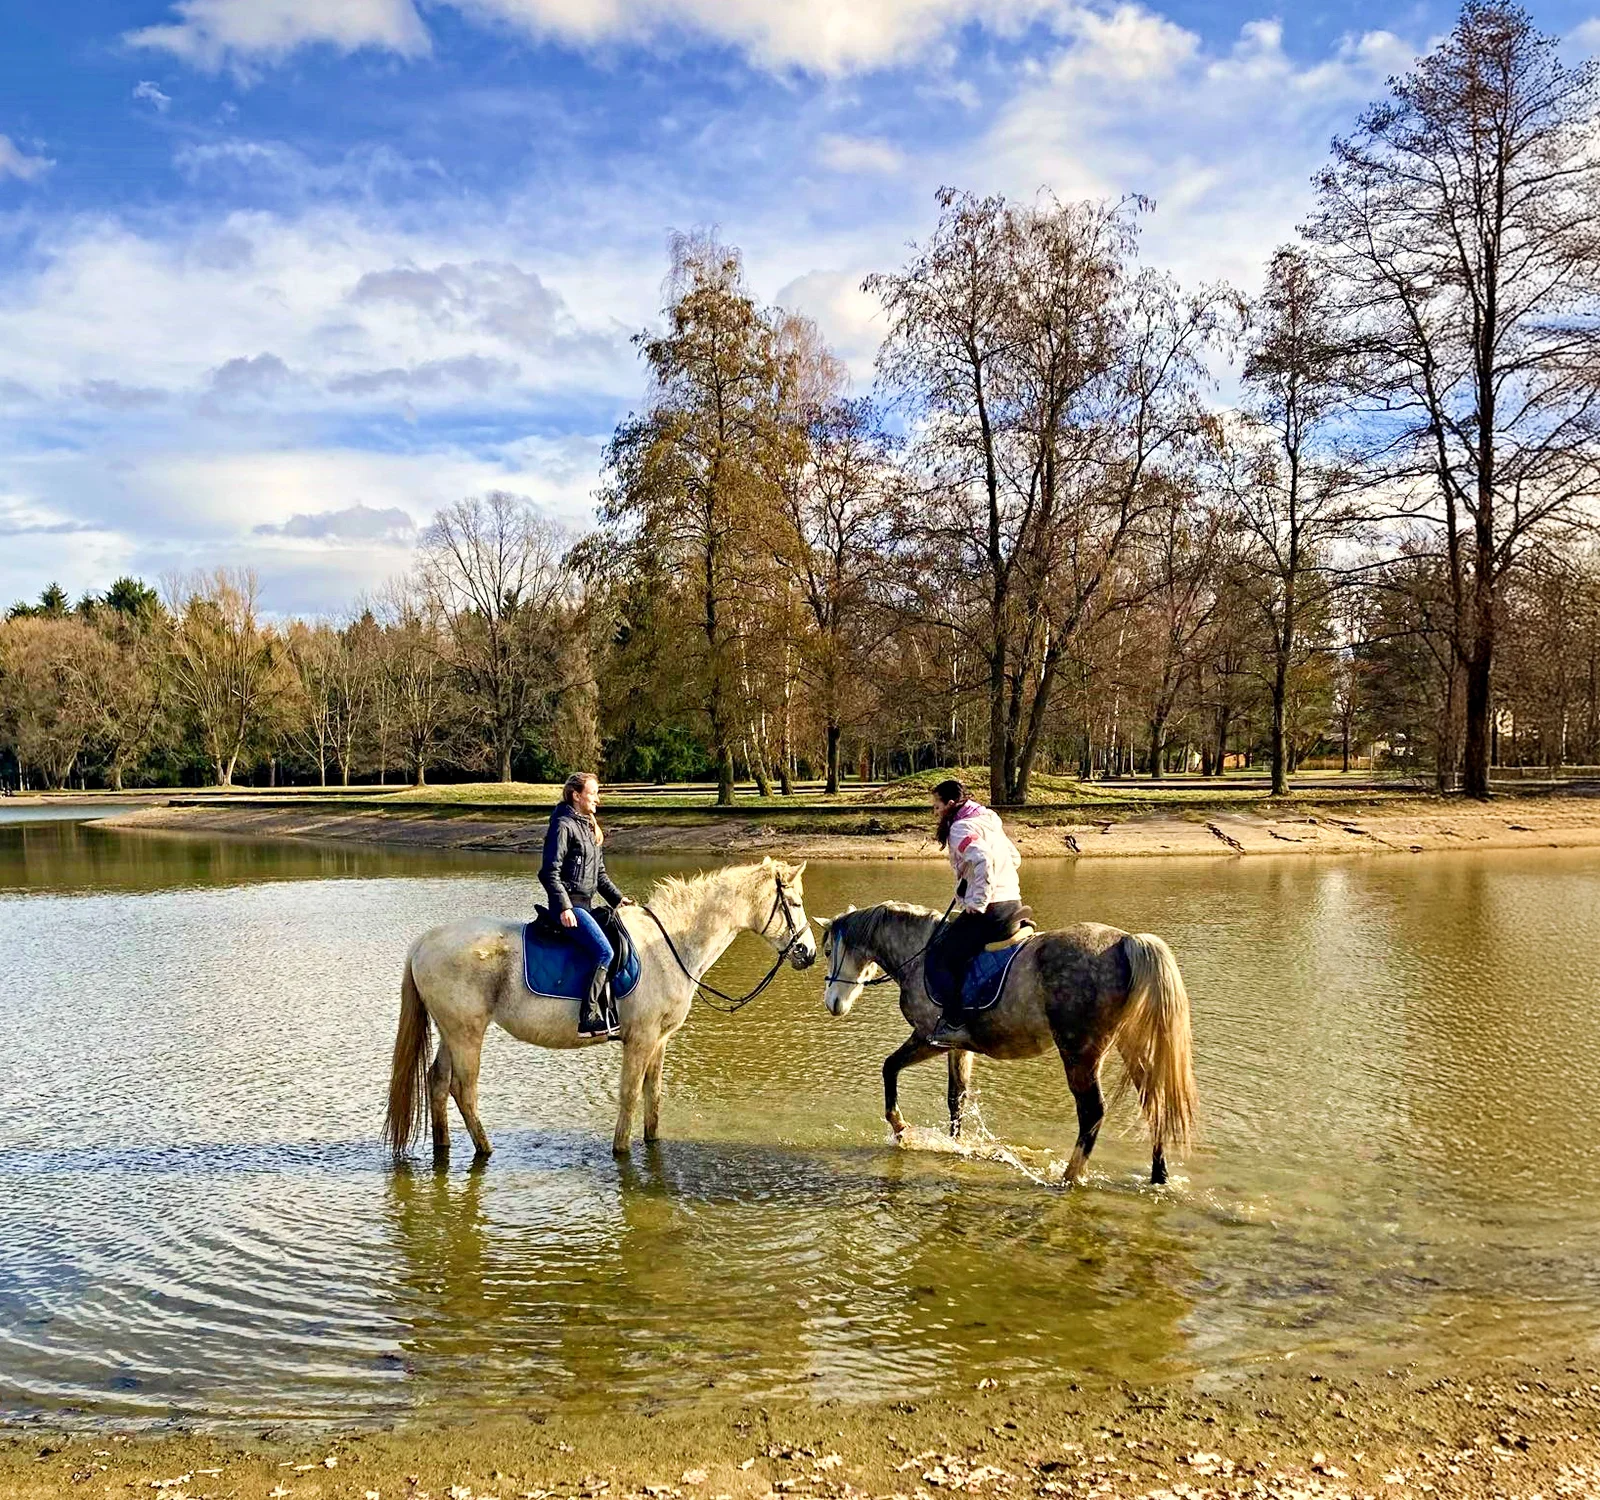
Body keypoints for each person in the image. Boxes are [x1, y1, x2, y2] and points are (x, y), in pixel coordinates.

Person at [925, 778, 1025, 1049]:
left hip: (991, 910)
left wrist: (978, 901)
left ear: (949, 805)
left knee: (943, 956)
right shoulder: (989, 819)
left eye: (936, 807)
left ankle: (955, 1023)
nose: (934, 813)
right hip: (1012, 902)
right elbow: (1014, 858)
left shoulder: (960, 828)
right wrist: (970, 883)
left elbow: (982, 859)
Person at [540, 772, 634, 1040]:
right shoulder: (563, 826)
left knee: (620, 937)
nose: (597, 800)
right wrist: (564, 907)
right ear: (576, 795)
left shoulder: (588, 827)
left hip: (586, 904)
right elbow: (549, 872)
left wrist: (618, 899)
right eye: (593, 794)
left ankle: (612, 1009)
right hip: (570, 907)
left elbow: (599, 875)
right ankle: (588, 1018)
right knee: (604, 952)